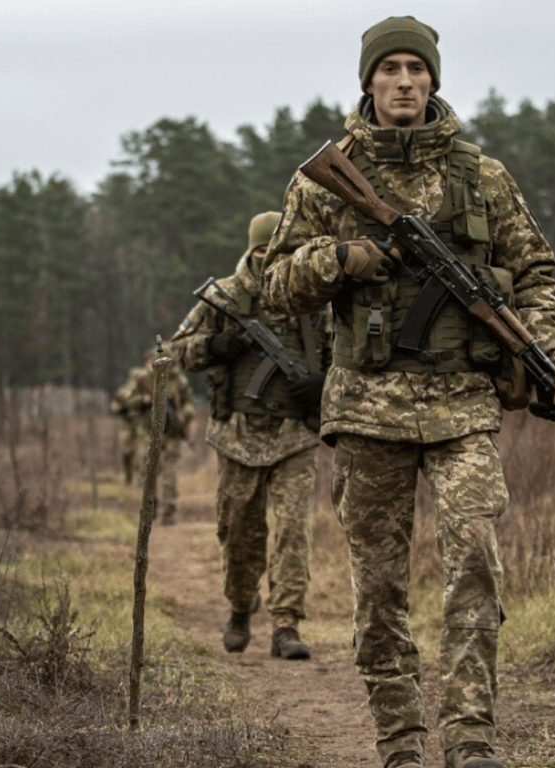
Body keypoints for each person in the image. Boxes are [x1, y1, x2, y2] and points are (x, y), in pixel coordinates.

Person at [261, 16, 555, 768]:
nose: (404, 81)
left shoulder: (482, 176)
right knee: (378, 587)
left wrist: (552, 359)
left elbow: (534, 275)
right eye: (390, 69)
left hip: (463, 407)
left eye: (416, 69)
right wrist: (345, 257)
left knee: (475, 561)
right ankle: (401, 741)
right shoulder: (330, 176)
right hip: (365, 409)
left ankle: (470, 738)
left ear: (433, 80)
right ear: (368, 80)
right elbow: (275, 286)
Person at [170, 211, 331, 660]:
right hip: (237, 436)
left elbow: (345, 354)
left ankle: (286, 625)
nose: (269, 259)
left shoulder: (314, 299)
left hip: (296, 435)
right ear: (250, 249)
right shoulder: (224, 296)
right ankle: (241, 606)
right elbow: (176, 350)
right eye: (262, 250)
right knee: (239, 530)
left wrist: (322, 383)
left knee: (294, 532)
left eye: (278, 251)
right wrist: (216, 346)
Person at [112, 348, 195, 524]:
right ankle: (151, 508)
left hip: (172, 433)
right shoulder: (144, 378)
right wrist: (144, 400)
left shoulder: (178, 380)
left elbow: (189, 404)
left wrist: (184, 415)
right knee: (148, 473)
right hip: (149, 432)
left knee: (169, 472)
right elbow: (124, 399)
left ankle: (169, 512)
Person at [109, 362, 149, 485]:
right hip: (127, 425)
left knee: (142, 452)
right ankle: (128, 473)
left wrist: (146, 404)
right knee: (126, 452)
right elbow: (114, 406)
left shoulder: (147, 392)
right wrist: (124, 410)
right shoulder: (124, 391)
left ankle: (142, 478)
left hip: (142, 425)